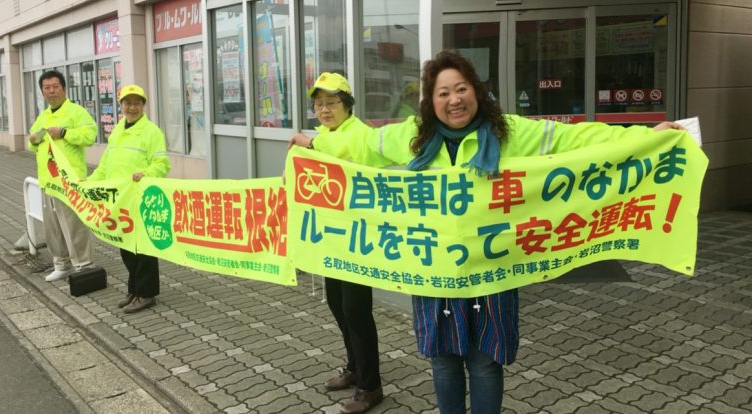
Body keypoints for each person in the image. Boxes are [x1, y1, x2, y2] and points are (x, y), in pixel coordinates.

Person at [291, 50, 683, 414]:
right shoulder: (415, 135)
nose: (454, 100)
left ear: (476, 91)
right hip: (436, 272)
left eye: (461, 89)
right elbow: (359, 145)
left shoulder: (509, 131)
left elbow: (574, 138)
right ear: (432, 101)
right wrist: (314, 143)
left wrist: (646, 136)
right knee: (443, 362)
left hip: (491, 270)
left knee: (484, 362)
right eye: (443, 92)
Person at [299, 72, 388, 414]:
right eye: (319, 104)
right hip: (331, 236)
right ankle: (354, 367)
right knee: (336, 303)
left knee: (356, 309)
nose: (324, 110)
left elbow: (341, 154)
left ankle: (371, 385)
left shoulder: (358, 135)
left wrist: (309, 145)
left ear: (347, 105)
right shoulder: (322, 136)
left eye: (331, 103)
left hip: (359, 238)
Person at [88, 84, 170, 314]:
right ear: (121, 105)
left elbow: (162, 164)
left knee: (142, 247)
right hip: (119, 200)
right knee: (126, 246)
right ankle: (133, 289)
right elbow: (106, 165)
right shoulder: (117, 130)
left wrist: (146, 174)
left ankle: (147, 293)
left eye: (136, 103)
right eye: (127, 102)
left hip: (140, 198)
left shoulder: (151, 132)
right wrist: (90, 182)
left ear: (143, 105)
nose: (131, 107)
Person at [29, 71, 98, 281]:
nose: (51, 91)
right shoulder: (43, 116)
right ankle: (61, 263)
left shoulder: (76, 112)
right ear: (42, 92)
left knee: (74, 225)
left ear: (64, 88)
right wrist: (33, 140)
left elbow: (90, 135)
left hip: (69, 181)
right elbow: (32, 145)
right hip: (49, 181)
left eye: (55, 86)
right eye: (47, 87)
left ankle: (84, 265)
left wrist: (65, 133)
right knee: (54, 226)